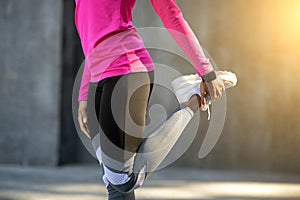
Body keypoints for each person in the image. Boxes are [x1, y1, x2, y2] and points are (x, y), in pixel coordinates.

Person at [75, 0, 226, 199]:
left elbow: (171, 14)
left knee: (122, 179)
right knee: (112, 182)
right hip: (96, 76)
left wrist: (206, 72)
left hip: (126, 70)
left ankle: (191, 101)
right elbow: (91, 33)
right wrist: (84, 94)